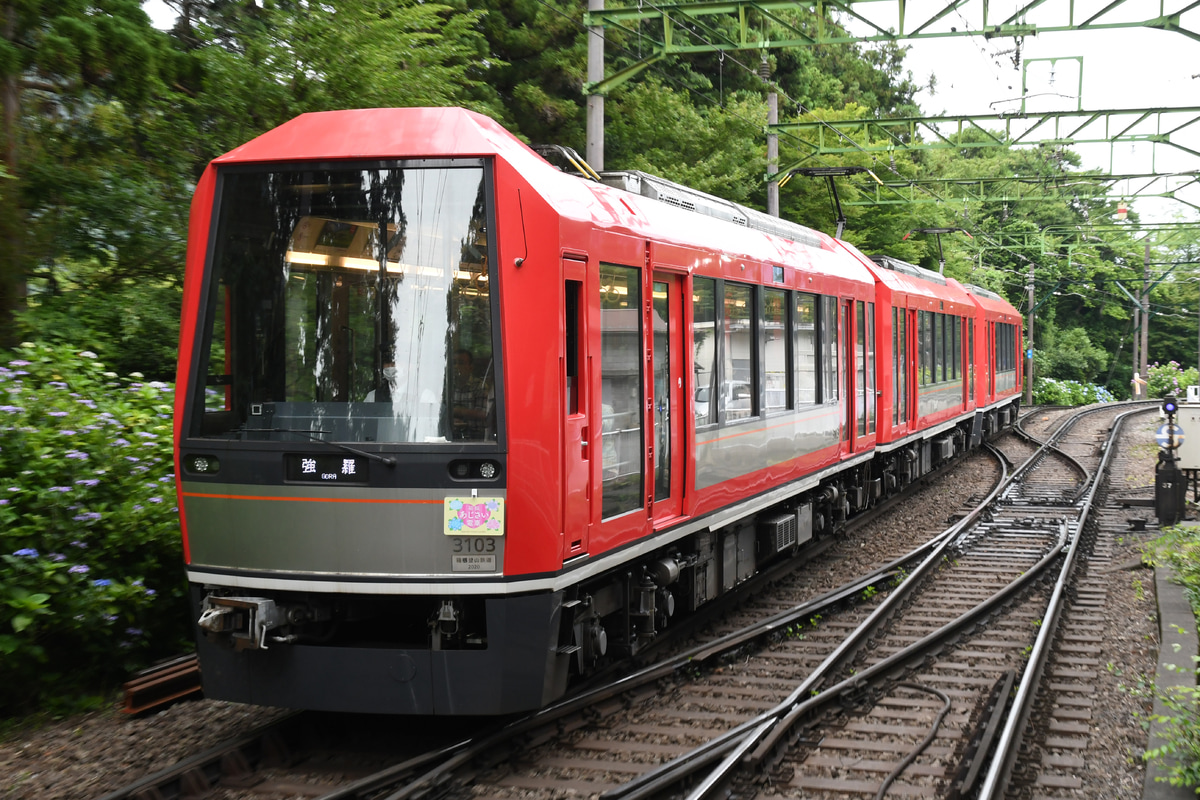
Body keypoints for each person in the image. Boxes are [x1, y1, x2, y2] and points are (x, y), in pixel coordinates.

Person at [451, 349, 490, 440]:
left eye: (461, 363)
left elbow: (484, 414)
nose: (456, 366)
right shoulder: (448, 387)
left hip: (475, 437)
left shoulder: (480, 386)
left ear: (470, 367)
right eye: (454, 363)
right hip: (451, 436)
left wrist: (457, 411)